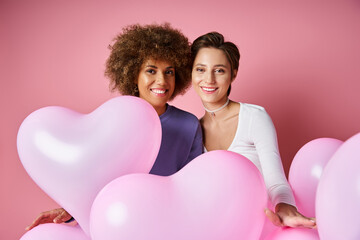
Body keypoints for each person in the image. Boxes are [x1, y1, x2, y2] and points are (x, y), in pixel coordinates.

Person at [26, 23, 203, 231]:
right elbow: (98, 180)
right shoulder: (115, 120)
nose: (161, 80)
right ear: (133, 75)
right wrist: (70, 212)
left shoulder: (189, 125)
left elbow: (193, 189)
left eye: (169, 72)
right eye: (151, 70)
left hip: (166, 225)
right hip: (118, 224)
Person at [191, 32, 316, 228]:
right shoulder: (192, 130)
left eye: (220, 71)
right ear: (191, 73)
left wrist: (285, 208)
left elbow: (276, 181)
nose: (209, 79)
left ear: (233, 74)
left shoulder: (254, 117)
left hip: (257, 228)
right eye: (200, 69)